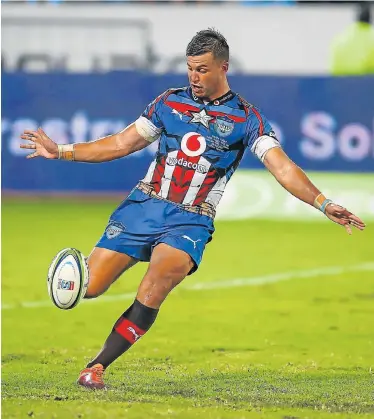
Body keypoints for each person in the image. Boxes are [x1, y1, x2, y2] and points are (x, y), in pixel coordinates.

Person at [20, 28, 366, 390]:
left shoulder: (247, 118)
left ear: (223, 67)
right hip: (143, 206)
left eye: (202, 69)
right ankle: (73, 271)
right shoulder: (168, 103)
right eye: (190, 69)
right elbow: (121, 143)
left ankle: (97, 366)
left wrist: (322, 202)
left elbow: (281, 167)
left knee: (157, 280)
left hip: (191, 220)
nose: (194, 77)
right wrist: (61, 150)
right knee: (87, 289)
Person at [330, 2, 374, 75]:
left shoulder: (340, 38)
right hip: (365, 84)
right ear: (370, 19)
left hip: (339, 83)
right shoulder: (371, 38)